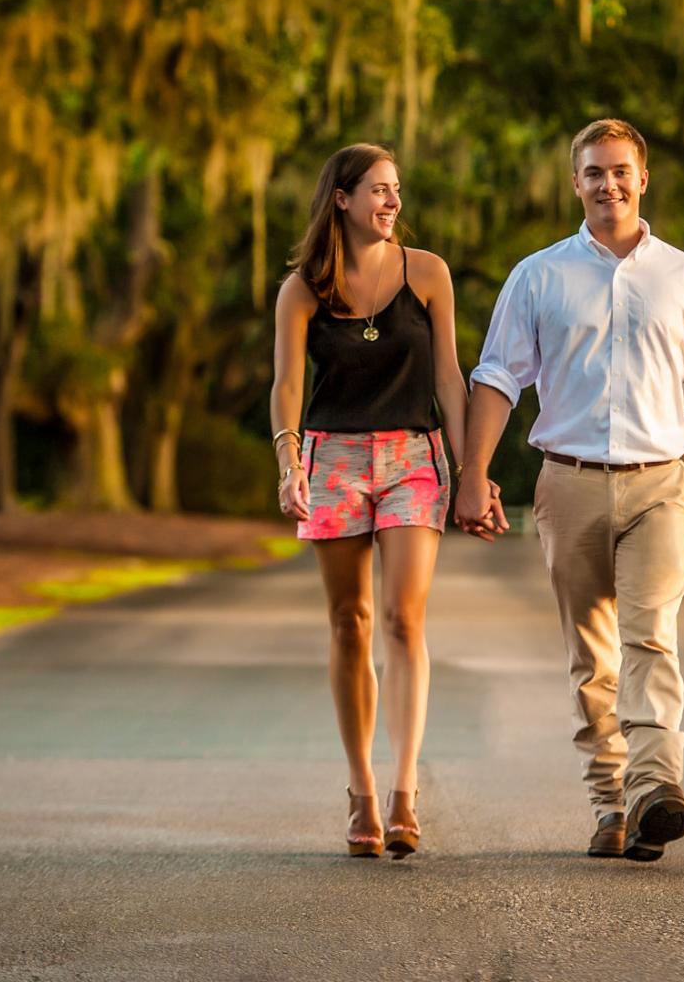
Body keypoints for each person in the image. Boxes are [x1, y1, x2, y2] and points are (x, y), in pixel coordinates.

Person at [456, 118, 684, 862]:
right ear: (575, 183)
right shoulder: (538, 276)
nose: (608, 184)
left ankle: (656, 789)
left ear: (643, 178)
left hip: (661, 487)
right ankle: (612, 803)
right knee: (592, 657)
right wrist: (474, 474)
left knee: (649, 633)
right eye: (593, 173)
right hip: (569, 484)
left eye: (620, 171)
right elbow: (496, 379)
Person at [271, 143, 471, 859]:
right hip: (333, 459)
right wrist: (288, 458)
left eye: (396, 190)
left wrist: (468, 464)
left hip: (415, 457)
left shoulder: (430, 274)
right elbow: (287, 387)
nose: (391, 202)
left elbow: (449, 376)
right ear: (343, 199)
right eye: (378, 191)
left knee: (402, 618)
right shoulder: (303, 288)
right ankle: (360, 789)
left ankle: (405, 792)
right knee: (350, 621)